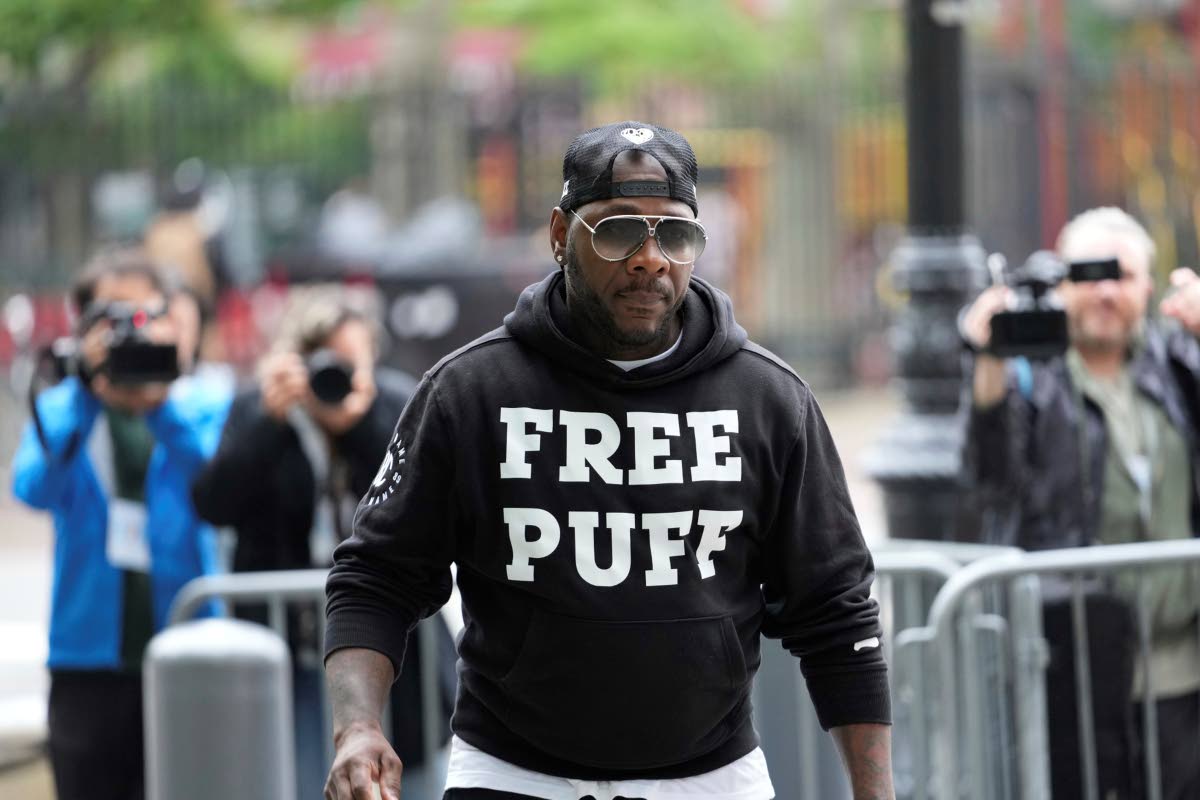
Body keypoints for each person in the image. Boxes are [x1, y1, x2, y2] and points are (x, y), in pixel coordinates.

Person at [322, 121, 893, 800]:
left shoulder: (768, 400)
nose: (651, 258)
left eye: (675, 235)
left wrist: (874, 791)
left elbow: (836, 609)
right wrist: (356, 728)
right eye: (620, 231)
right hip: (512, 777)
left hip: (713, 781)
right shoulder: (470, 393)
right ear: (562, 236)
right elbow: (375, 577)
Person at [959, 207, 1200, 799]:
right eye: (1087, 275)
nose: (1105, 291)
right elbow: (991, 480)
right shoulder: (1031, 374)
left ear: (1150, 285)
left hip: (1181, 667)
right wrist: (988, 360)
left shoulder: (1178, 366)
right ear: (1058, 285)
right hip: (1075, 667)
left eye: (1121, 274)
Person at [191, 296, 452, 800]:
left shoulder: (396, 403)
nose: (339, 376)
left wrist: (356, 427)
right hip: (292, 647)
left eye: (352, 362)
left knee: (412, 779)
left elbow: (424, 495)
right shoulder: (261, 409)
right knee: (303, 777)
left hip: (393, 646)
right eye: (326, 363)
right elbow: (212, 501)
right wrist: (269, 422)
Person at [10, 247, 229, 800]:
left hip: (189, 643)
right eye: (115, 318)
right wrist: (87, 396)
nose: (133, 331)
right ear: (83, 325)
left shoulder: (201, 400)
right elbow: (33, 488)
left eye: (145, 315)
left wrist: (159, 404)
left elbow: (220, 484)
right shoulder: (64, 405)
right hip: (89, 656)